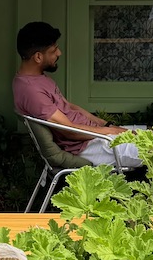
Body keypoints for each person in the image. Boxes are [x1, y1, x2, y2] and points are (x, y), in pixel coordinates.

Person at [12, 21, 146, 169]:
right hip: (88, 145)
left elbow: (69, 106)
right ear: (38, 57)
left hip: (96, 134)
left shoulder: (38, 79)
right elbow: (70, 131)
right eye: (54, 50)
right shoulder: (31, 91)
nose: (59, 53)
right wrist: (111, 131)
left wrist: (104, 124)